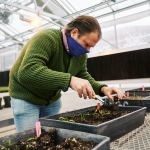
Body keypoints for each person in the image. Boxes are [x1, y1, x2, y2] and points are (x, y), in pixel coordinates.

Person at [9, 15, 124, 132]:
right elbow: (27, 72)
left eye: (91, 47)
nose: (87, 50)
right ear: (74, 32)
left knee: (50, 137)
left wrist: (103, 89)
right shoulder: (47, 38)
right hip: (26, 98)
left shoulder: (81, 55)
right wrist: (69, 80)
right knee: (29, 140)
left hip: (51, 101)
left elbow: (82, 75)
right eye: (86, 44)